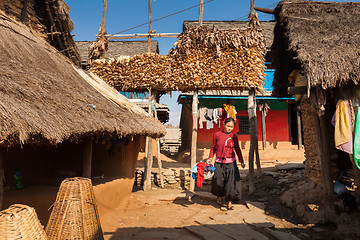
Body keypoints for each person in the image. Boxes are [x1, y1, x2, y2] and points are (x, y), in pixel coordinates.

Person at [208, 117, 245, 210]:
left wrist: (241, 161)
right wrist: (210, 158)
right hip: (219, 162)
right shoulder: (217, 135)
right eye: (228, 126)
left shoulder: (234, 137)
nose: (229, 128)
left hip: (231, 162)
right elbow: (213, 147)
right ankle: (220, 196)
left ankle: (229, 202)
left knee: (231, 184)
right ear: (224, 125)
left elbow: (237, 149)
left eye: (231, 127)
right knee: (218, 181)